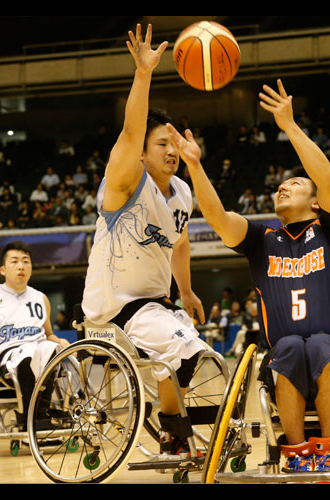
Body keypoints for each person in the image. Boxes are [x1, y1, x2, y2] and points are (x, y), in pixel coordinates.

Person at [167, 79, 330, 474]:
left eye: (293, 184)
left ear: (314, 202)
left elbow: (328, 181)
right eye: (280, 184)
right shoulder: (263, 238)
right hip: (285, 352)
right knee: (292, 345)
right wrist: (194, 165)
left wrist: (289, 127)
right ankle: (295, 454)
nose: (282, 186)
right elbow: (220, 220)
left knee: (321, 346)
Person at [80, 24, 208, 457]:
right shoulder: (125, 181)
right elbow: (131, 134)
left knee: (184, 356)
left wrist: (186, 290)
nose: (172, 151)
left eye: (175, 145)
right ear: (142, 152)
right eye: (162, 144)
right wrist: (144, 74)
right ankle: (177, 429)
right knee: (189, 351)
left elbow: (181, 243)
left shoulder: (183, 192)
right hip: (115, 303)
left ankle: (174, 435)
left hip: (153, 303)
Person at [0, 241, 70, 431]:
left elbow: (49, 334)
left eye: (26, 261)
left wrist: (60, 341)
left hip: (39, 358)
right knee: (31, 349)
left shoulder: (40, 298)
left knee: (50, 347)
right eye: (15, 261)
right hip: (3, 361)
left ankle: (41, 415)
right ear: (3, 269)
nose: (21, 266)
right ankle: (29, 417)